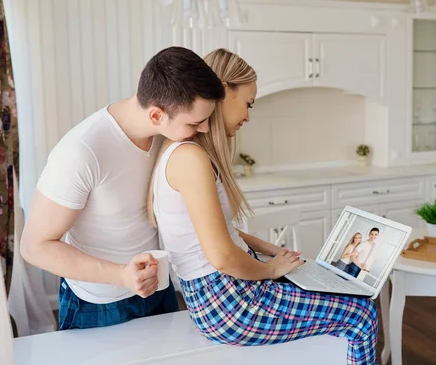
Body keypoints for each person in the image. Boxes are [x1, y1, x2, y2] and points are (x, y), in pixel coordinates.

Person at [148, 48, 378, 364]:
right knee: (361, 313)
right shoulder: (191, 158)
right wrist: (270, 270)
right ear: (222, 91)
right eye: (248, 103)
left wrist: (272, 251)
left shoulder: (183, 152)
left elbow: (221, 232)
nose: (248, 116)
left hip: (224, 296)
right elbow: (222, 257)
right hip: (230, 302)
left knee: (335, 290)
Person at [20, 47, 225, 330]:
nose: (204, 129)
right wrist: (121, 275)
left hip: (158, 289)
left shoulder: (167, 136)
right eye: (195, 122)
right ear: (156, 115)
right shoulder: (82, 151)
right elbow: (34, 247)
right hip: (97, 304)